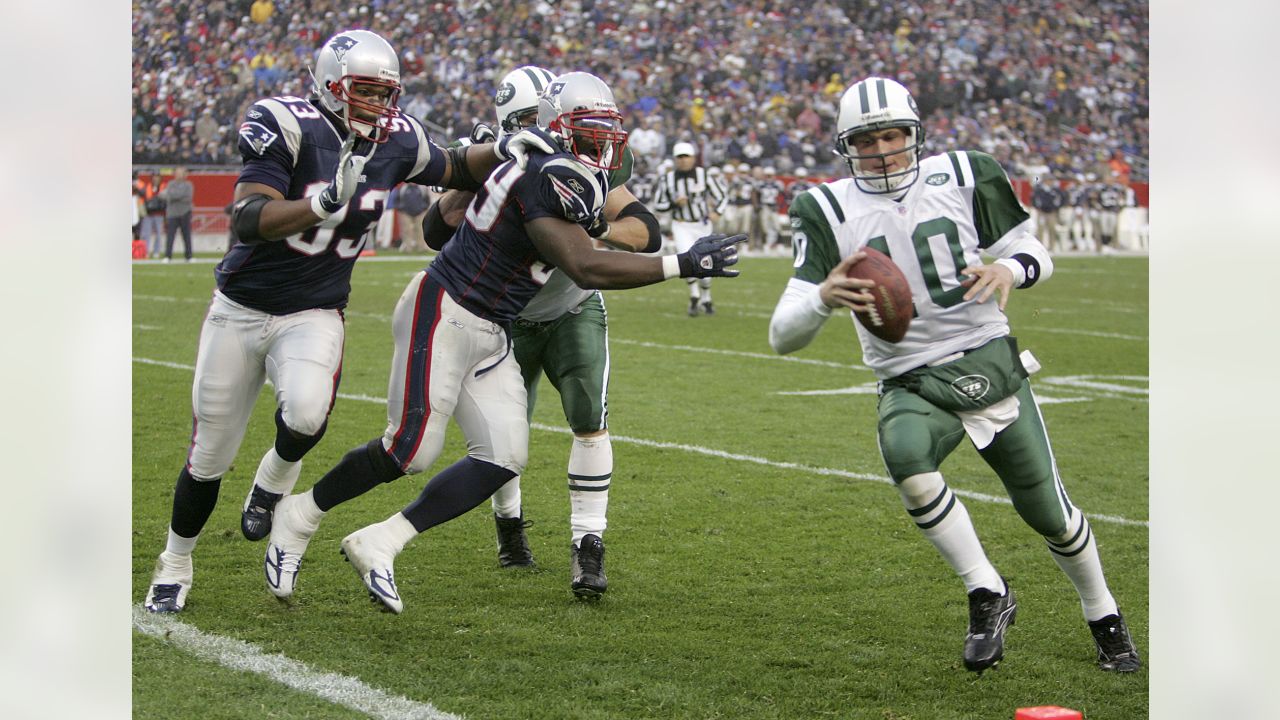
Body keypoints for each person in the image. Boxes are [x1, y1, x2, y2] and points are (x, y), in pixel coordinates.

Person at [262, 71, 744, 613]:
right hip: (445, 309)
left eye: (608, 130)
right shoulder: (543, 171)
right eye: (590, 130)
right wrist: (682, 263)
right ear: (558, 129)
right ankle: (298, 515)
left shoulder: (557, 165)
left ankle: (381, 541)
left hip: (492, 327)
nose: (604, 143)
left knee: (504, 456)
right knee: (410, 449)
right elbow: (583, 264)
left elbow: (627, 230)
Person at [143, 28, 557, 614]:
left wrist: (506, 152)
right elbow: (247, 217)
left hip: (314, 309)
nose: (379, 106)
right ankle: (175, 561)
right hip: (240, 308)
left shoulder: (396, 136)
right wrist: (318, 204)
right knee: (209, 454)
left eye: (387, 93)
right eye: (365, 91)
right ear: (332, 86)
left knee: (308, 414)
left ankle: (275, 480)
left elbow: (453, 166)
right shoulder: (284, 122)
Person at [768, 77, 1140, 674]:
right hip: (909, 375)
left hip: (986, 355)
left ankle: (1104, 613)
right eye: (868, 140)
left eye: (893, 135)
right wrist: (823, 299)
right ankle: (987, 590)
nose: (884, 151)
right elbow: (781, 335)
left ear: (915, 134)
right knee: (907, 458)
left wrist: (1012, 270)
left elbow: (1036, 250)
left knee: (1048, 511)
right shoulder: (827, 207)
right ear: (846, 145)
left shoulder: (965, 173)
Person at [421, 65, 664, 597]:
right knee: (505, 437)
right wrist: (481, 175)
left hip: (572, 308)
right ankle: (510, 529)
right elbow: (433, 231)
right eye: (529, 123)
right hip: (505, 317)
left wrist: (598, 226)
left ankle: (588, 545)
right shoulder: (490, 154)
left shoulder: (593, 154)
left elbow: (647, 231)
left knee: (587, 418)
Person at [653, 142, 728, 315]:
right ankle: (695, 296)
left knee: (707, 262)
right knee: (688, 259)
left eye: (686, 156)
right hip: (681, 224)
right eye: (680, 157)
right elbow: (658, 204)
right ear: (675, 159)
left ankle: (706, 297)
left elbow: (722, 195)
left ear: (693, 158)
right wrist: (674, 203)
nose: (683, 160)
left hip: (702, 225)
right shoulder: (668, 179)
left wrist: (717, 212)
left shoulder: (704, 175)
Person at [162, 166, 195, 262]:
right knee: (170, 236)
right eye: (178, 173)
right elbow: (170, 196)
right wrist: (180, 196)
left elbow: (188, 198)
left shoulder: (189, 185)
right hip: (172, 214)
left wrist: (176, 196)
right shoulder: (171, 184)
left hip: (185, 213)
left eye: (181, 173)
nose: (179, 175)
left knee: (187, 236)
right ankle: (168, 256)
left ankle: (189, 256)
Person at [393, 182, 433, 252]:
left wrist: (423, 208)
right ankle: (408, 248)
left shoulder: (422, 188)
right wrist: (401, 208)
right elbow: (397, 199)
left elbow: (427, 199)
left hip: (420, 213)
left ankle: (421, 248)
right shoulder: (403, 188)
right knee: (406, 231)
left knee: (420, 231)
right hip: (406, 213)